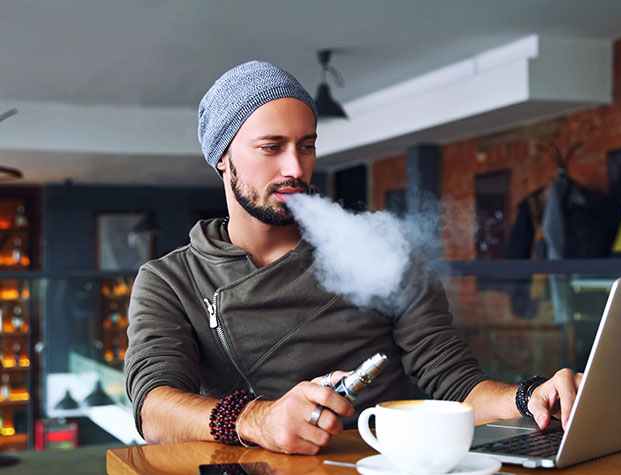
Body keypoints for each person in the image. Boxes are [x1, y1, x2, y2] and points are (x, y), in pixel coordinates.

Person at [124, 60, 582, 454]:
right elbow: (153, 409)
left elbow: (454, 382)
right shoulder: (170, 280)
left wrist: (529, 397)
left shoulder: (381, 251)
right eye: (271, 147)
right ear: (223, 158)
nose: (294, 169)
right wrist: (259, 421)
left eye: (307, 146)